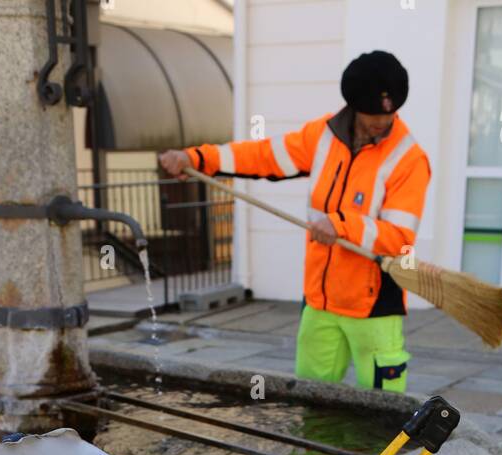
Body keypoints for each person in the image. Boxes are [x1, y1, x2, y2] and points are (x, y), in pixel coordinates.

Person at [160, 50, 430, 394]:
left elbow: (400, 239)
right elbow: (262, 156)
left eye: (390, 113)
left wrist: (342, 225)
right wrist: (197, 158)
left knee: (382, 416)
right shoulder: (322, 137)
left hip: (375, 309)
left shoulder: (409, 159)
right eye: (374, 113)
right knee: (311, 403)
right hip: (319, 302)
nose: (383, 121)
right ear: (353, 105)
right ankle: (317, 452)